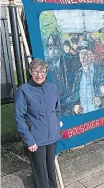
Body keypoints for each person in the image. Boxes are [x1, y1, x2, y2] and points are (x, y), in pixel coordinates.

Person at [14, 59, 61, 188]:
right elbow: (19, 118)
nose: (39, 75)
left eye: (42, 71)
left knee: (51, 169)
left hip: (52, 138)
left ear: (46, 72)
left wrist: (55, 126)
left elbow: (57, 110)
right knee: (41, 173)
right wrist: (29, 140)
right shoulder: (24, 90)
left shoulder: (53, 88)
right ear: (30, 72)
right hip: (36, 140)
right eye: (35, 71)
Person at [73, 41, 104, 114]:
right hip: (84, 116)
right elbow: (73, 96)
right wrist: (74, 107)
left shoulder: (100, 71)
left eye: (85, 54)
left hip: (98, 113)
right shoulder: (78, 74)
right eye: (81, 54)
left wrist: (102, 100)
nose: (83, 57)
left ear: (91, 56)